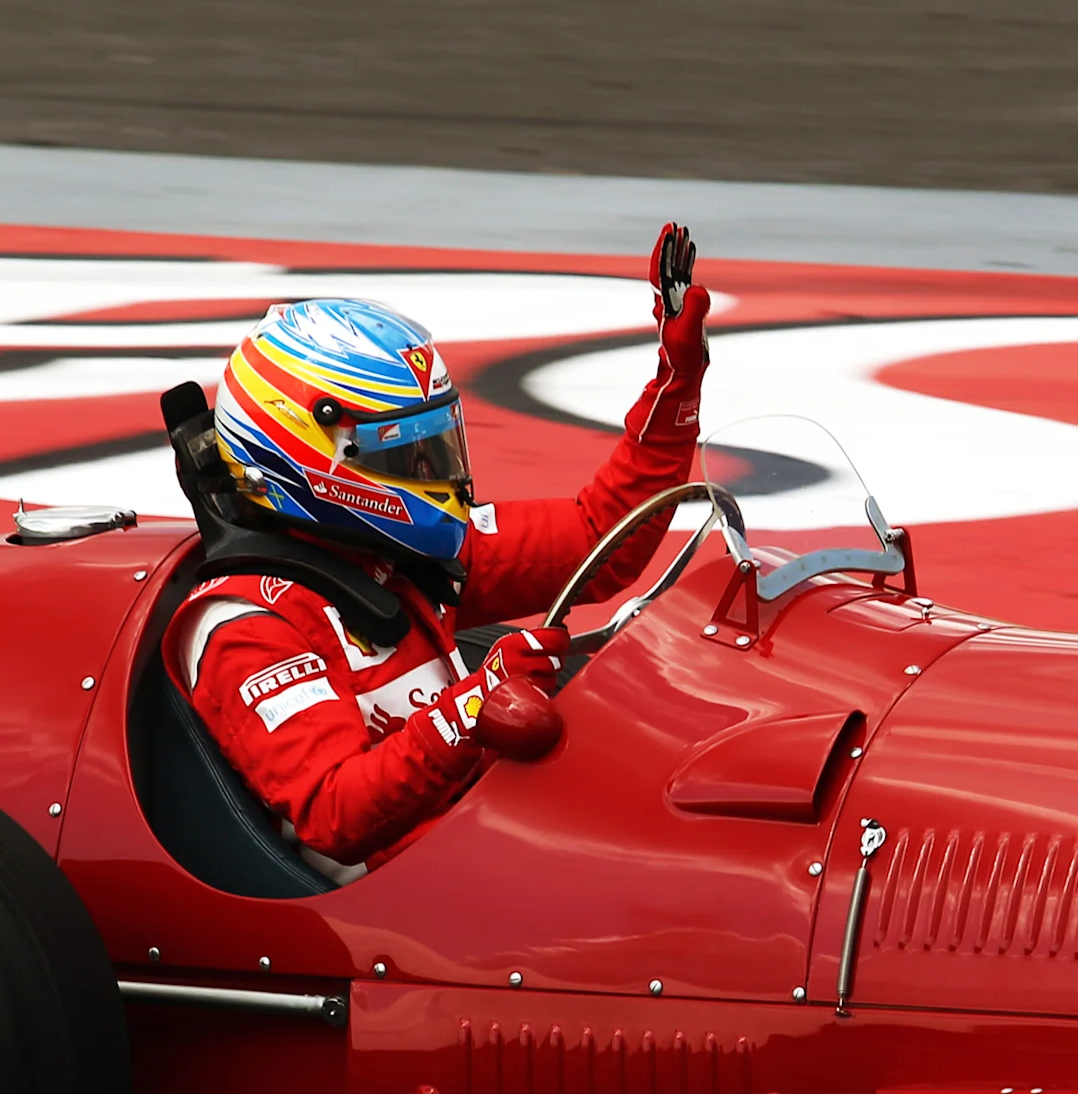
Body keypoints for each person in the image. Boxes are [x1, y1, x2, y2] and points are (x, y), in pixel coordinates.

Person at [159, 226, 710, 878]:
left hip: (495, 857)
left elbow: (601, 538)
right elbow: (333, 811)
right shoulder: (246, 626)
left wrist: (675, 386)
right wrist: (475, 706)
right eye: (406, 454)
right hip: (401, 927)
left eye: (437, 446)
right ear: (312, 456)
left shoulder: (390, 559)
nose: (438, 474)